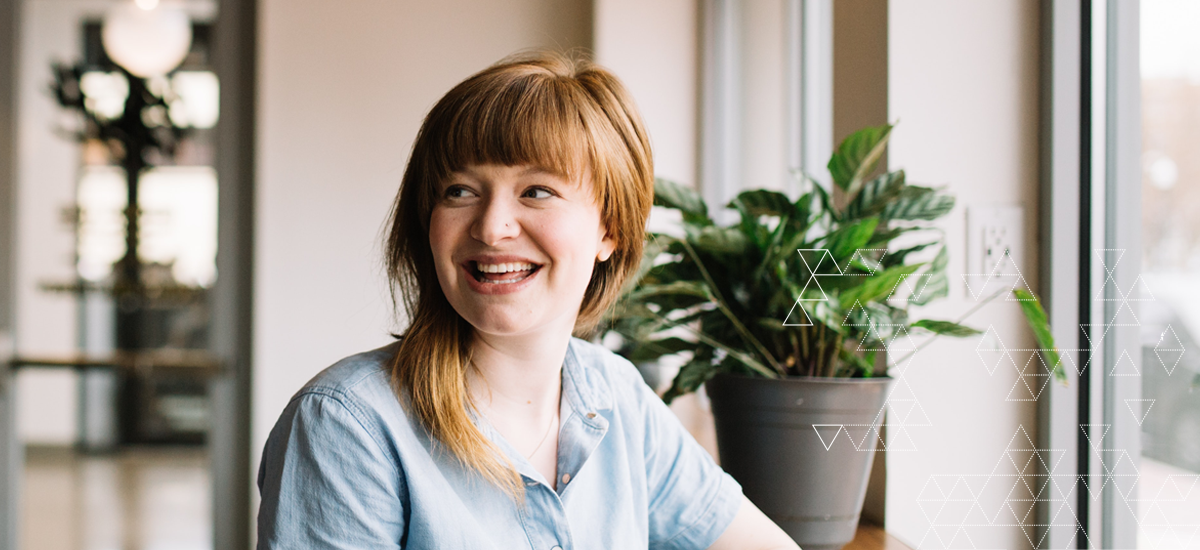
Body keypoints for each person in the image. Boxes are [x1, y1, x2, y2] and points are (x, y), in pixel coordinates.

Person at [256, 51, 800, 550]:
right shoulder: (347, 425)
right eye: (459, 191)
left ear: (608, 229)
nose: (491, 228)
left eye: (537, 191)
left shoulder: (617, 399)